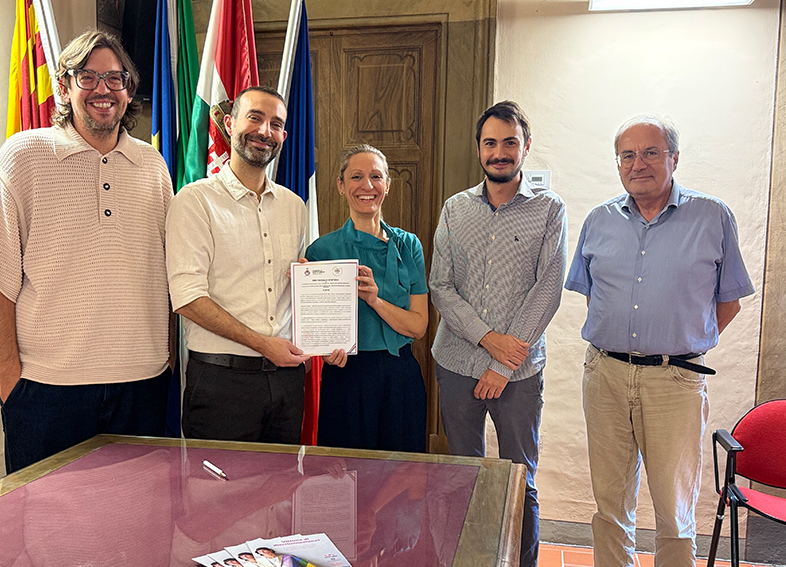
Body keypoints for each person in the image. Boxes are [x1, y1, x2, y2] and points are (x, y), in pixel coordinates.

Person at [0, 30, 174, 474]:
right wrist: (11, 376)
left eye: (115, 78)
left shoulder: (153, 166)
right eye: (87, 77)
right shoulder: (22, 156)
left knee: (139, 513)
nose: (103, 89)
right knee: (41, 516)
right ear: (63, 86)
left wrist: (169, 360)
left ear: (129, 91)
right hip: (47, 389)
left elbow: (169, 273)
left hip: (144, 384)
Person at [565, 114, 755, 567]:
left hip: (675, 382)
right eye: (627, 155)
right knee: (610, 505)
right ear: (617, 163)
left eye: (651, 152)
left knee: (674, 509)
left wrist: (680, 343)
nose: (638, 164)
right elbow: (594, 297)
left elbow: (729, 303)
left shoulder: (712, 216)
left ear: (674, 158)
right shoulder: (599, 220)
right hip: (606, 375)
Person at [429, 101, 566, 567]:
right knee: (464, 476)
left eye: (510, 142)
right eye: (491, 143)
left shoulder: (549, 210)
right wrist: (489, 340)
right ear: (479, 149)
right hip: (456, 364)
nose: (500, 152)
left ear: (526, 147)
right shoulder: (455, 209)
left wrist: (502, 365)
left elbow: (547, 290)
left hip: (519, 374)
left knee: (519, 480)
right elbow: (440, 286)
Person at [167, 86, 309, 444]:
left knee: (283, 480)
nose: (265, 131)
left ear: (283, 136)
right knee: (219, 482)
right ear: (230, 124)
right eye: (255, 118)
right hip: (221, 384)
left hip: (286, 382)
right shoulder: (195, 201)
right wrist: (263, 344)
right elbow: (187, 299)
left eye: (276, 124)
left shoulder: (294, 207)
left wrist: (324, 316)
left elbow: (295, 292)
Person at [305, 145, 428, 452]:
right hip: (346, 376)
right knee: (344, 472)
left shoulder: (409, 245)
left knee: (402, 471)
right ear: (341, 185)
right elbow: (316, 332)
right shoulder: (321, 251)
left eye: (376, 176)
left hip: (400, 376)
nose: (367, 186)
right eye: (356, 176)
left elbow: (418, 327)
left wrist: (375, 300)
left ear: (388, 184)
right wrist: (324, 351)